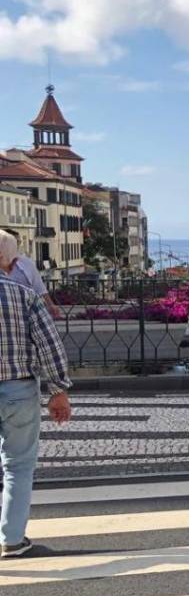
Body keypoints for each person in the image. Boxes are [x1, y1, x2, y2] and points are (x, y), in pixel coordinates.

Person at [0, 231, 72, 559]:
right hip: (18, 388)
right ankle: (12, 540)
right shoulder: (23, 294)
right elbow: (49, 344)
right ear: (12, 262)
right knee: (18, 465)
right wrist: (57, 391)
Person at [0, 228, 61, 319]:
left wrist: (50, 305)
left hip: (25, 310)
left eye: (18, 242)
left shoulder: (27, 263)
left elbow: (39, 287)